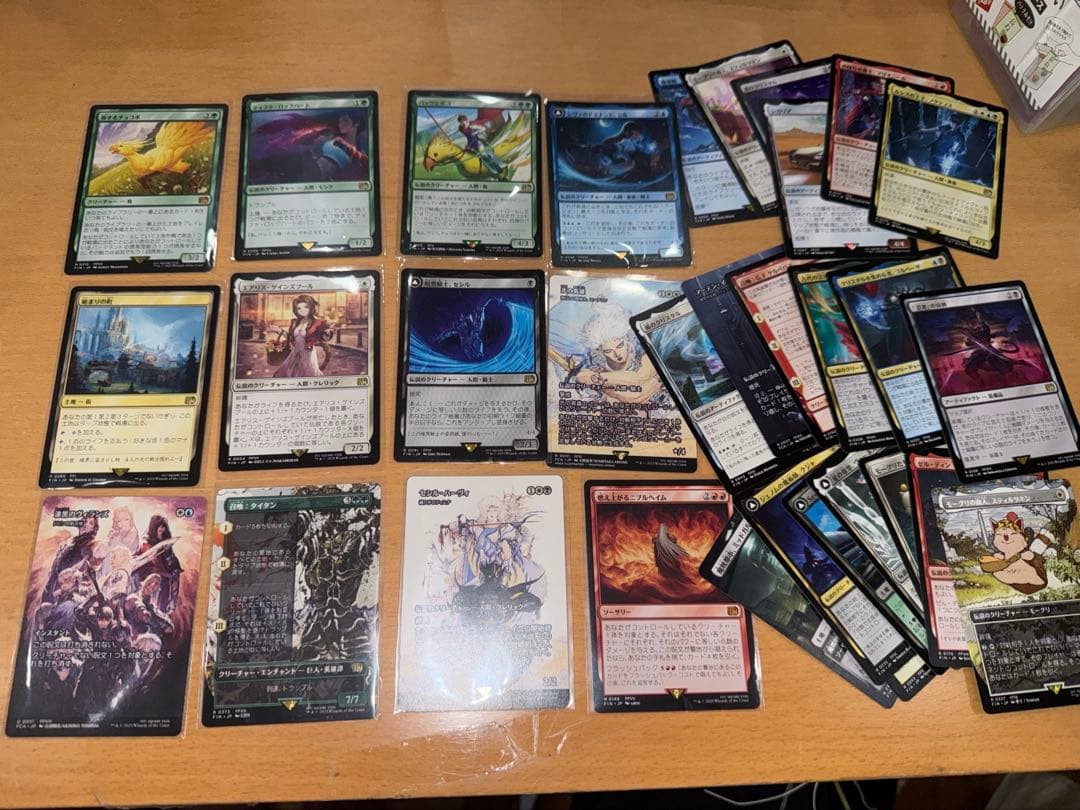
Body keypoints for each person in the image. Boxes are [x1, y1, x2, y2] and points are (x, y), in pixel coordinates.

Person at [130, 515, 182, 614]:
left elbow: (174, 569)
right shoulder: (145, 544)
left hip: (164, 585)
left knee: (160, 610)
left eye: (164, 526)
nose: (162, 529)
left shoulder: (167, 546)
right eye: (159, 526)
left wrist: (173, 600)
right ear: (154, 527)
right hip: (148, 583)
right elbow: (139, 563)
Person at [273, 295, 332, 379]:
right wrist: (279, 330)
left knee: (308, 375)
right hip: (294, 353)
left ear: (311, 307)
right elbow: (290, 337)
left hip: (308, 354)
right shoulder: (295, 322)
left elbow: (325, 337)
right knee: (285, 373)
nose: (302, 310)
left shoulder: (317, 322)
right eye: (299, 308)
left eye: (306, 307)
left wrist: (328, 330)